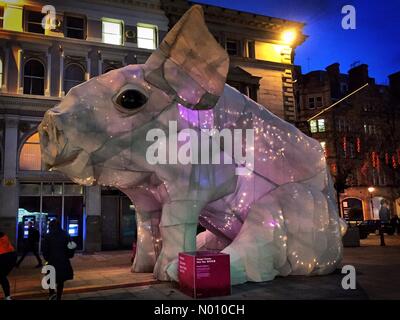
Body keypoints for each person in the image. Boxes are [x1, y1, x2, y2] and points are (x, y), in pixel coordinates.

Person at [42, 220, 74, 300]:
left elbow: (45, 250)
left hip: (51, 261)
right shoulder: (65, 234)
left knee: (51, 279)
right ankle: (59, 297)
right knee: (61, 280)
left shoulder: (48, 236)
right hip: (63, 261)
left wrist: (47, 258)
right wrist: (69, 255)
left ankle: (52, 294)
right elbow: (71, 247)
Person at [0, 231, 17, 300]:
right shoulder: (3, 235)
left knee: (1, 276)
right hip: (12, 256)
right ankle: (7, 297)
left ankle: (7, 297)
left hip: (3, 256)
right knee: (2, 276)